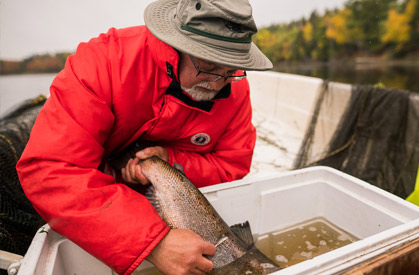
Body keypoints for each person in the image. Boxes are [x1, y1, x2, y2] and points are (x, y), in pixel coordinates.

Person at [16, 0, 272, 274]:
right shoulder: (103, 62)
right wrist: (154, 245)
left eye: (231, 68)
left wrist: (169, 161)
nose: (218, 83)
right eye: (209, 65)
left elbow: (231, 167)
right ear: (179, 45)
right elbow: (49, 170)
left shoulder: (236, 88)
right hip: (102, 202)